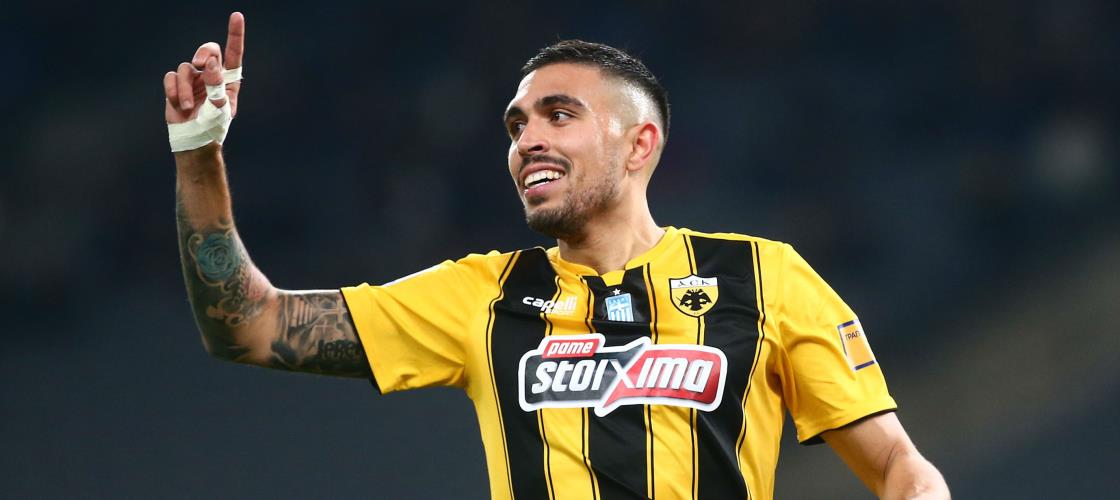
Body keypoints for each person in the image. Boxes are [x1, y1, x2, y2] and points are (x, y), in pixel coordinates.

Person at [166, 12, 950, 500]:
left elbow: (898, 467)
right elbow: (249, 325)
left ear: (639, 143)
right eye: (517, 125)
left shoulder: (763, 279)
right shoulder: (481, 295)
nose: (527, 140)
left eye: (559, 115)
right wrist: (200, 156)